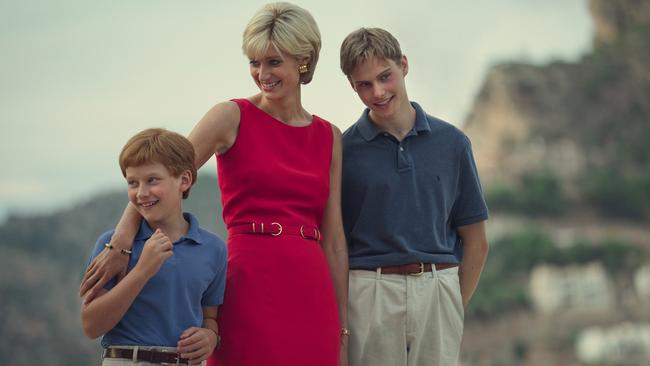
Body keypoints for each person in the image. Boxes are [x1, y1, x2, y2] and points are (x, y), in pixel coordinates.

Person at [80, 3, 349, 366]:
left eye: (273, 62)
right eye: (254, 62)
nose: (262, 74)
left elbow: (333, 241)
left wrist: (343, 328)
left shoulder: (329, 136)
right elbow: (165, 173)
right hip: (249, 282)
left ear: (303, 60)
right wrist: (123, 240)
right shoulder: (231, 116)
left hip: (311, 289)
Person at [339, 28, 490, 366]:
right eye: (364, 84)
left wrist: (450, 301)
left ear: (403, 65)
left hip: (438, 286)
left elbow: (476, 242)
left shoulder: (453, 143)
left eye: (384, 77)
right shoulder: (342, 150)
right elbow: (336, 243)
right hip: (369, 292)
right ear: (352, 86)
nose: (378, 92)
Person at [81, 128, 227, 365]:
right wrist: (142, 270)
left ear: (185, 180)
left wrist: (210, 336)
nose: (141, 193)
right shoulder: (112, 248)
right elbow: (91, 325)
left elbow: (210, 315)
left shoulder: (213, 249)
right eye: (133, 183)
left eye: (152, 180)